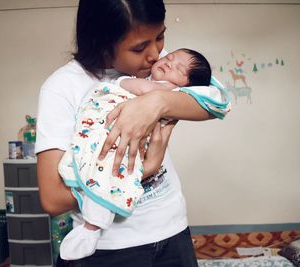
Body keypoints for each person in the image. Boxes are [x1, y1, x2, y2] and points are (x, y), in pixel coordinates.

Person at [36, 0, 229, 266]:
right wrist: (141, 172)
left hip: (173, 232)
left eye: (160, 37)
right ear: (101, 43)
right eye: (139, 47)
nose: (155, 54)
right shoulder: (62, 87)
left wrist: (155, 102)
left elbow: (216, 103)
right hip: (110, 250)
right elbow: (51, 198)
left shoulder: (159, 67)